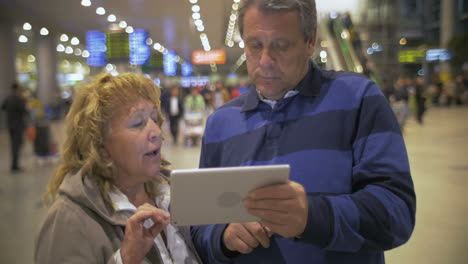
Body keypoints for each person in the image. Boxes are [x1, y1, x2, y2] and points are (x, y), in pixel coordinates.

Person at [191, 1, 416, 264]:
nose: (265, 61)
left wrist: (311, 217)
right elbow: (198, 224)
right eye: (255, 45)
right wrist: (223, 238)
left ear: (310, 41)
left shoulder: (359, 100)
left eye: (281, 45)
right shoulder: (220, 123)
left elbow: (397, 213)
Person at [35, 73, 201, 264]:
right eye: (138, 123)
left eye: (154, 119)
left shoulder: (171, 192)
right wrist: (126, 258)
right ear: (100, 146)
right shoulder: (68, 220)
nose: (156, 131)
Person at [1, 83, 29, 172]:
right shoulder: (19, 99)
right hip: (18, 125)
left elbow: (3, 107)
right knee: (16, 145)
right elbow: (24, 111)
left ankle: (14, 164)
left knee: (14, 145)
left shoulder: (8, 98)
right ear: (18, 90)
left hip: (10, 125)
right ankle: (15, 166)